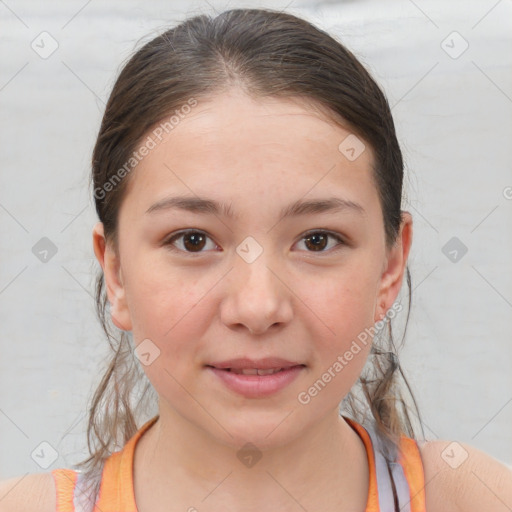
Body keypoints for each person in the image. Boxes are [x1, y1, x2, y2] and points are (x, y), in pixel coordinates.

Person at [1, 7, 510, 512]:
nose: (258, 306)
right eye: (193, 241)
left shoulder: (473, 497)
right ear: (116, 273)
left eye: (317, 240)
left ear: (389, 268)